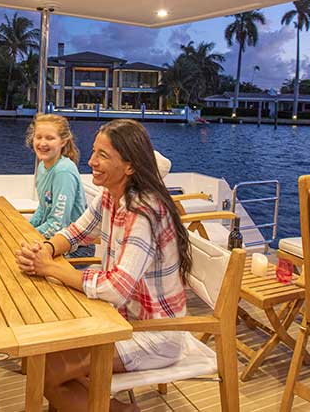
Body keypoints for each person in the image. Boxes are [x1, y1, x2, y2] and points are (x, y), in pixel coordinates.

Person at [15, 119, 192, 412]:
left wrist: (50, 268)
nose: (91, 161)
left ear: (129, 166)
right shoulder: (111, 195)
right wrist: (46, 249)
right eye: (94, 152)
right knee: (45, 355)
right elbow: (76, 231)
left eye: (102, 155)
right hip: (118, 319)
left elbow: (115, 289)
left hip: (154, 333)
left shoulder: (143, 212)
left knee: (46, 371)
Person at [26, 114, 94, 259]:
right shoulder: (43, 166)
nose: (42, 143)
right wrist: (26, 229)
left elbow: (58, 224)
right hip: (52, 239)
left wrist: (28, 236)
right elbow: (43, 207)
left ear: (62, 141)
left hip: (76, 248)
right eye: (38, 137)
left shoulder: (63, 171)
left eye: (50, 138)